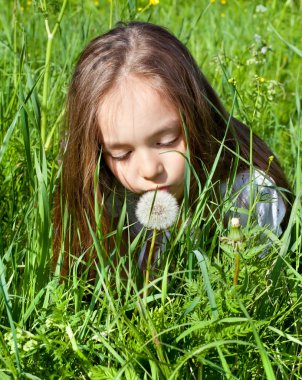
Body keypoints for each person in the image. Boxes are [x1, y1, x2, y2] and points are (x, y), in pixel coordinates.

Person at [53, 21, 291, 277]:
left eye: (166, 141)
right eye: (122, 154)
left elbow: (259, 289)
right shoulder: (106, 198)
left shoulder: (247, 195)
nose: (149, 169)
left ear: (198, 117)